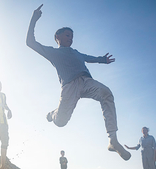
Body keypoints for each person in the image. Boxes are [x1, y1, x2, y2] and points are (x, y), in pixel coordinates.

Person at [26, 4, 131, 161]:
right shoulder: (53, 52)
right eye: (67, 35)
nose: (71, 38)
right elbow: (30, 42)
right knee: (61, 122)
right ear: (58, 37)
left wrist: (103, 60)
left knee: (106, 93)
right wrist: (34, 18)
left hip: (87, 82)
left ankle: (112, 140)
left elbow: (90, 58)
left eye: (72, 36)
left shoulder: (76, 53)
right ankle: (52, 114)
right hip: (69, 86)